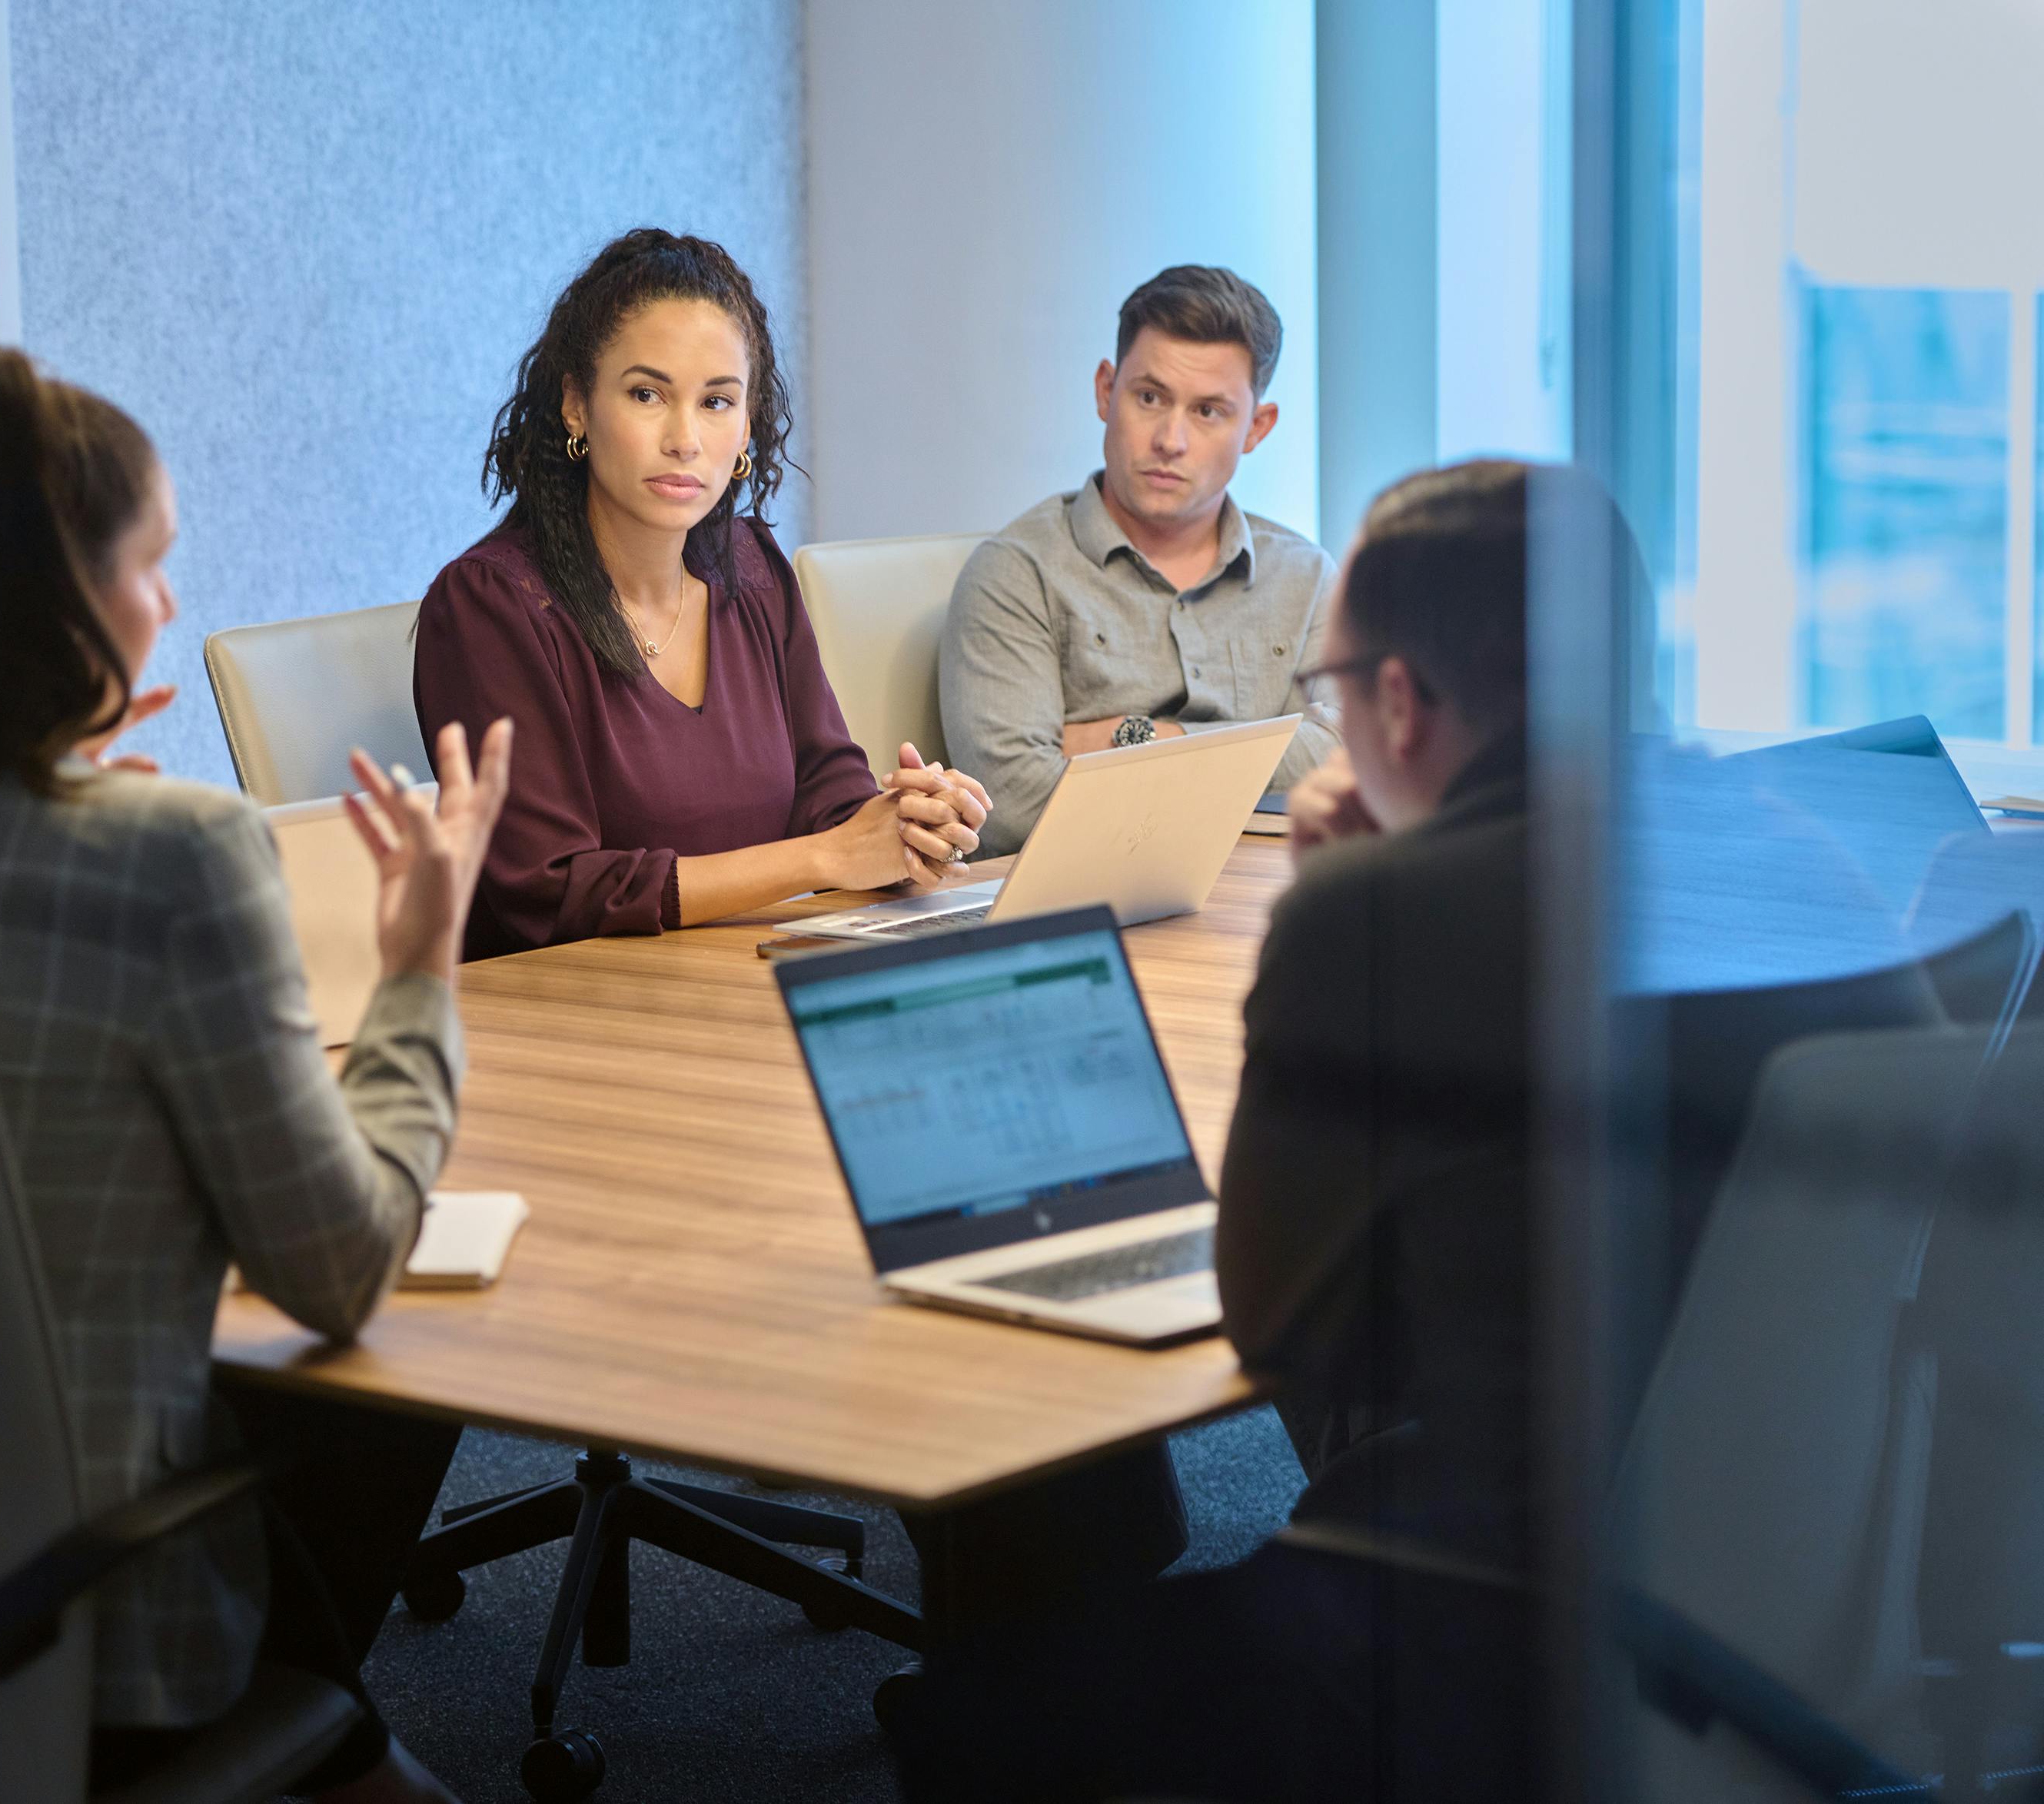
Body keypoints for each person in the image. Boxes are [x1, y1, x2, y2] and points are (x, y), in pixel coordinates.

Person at [0, 343, 506, 1804]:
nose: (170, 607)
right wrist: (421, 963)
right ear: (59, 598)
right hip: (86, 1632)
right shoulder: (171, 852)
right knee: (379, 1373)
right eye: (152, 564)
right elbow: (338, 1261)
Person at [896, 460, 1594, 1802]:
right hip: (1755, 1536)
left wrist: (1339, 919)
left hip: (1471, 1601)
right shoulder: (1782, 844)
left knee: (972, 1710)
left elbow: (1272, 1320)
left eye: (1327, 690)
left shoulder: (1373, 921)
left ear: (1393, 699)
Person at [414, 227, 990, 961]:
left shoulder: (751, 567)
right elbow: (548, 892)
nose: (685, 438)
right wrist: (823, 858)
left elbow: (827, 794)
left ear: (746, 426)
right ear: (576, 406)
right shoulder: (490, 605)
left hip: (739, 985)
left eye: (716, 402)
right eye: (647, 393)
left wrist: (905, 824)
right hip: (568, 1020)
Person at [940, 265, 1340, 858]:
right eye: (1150, 398)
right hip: (1092, 915)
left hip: (1267, 904)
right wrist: (1270, 758)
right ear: (1106, 390)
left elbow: (1346, 756)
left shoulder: (1306, 578)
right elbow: (1011, 803)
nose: (1170, 440)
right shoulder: (1015, 574)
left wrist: (1133, 738)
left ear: (1257, 427)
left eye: (1209, 412)